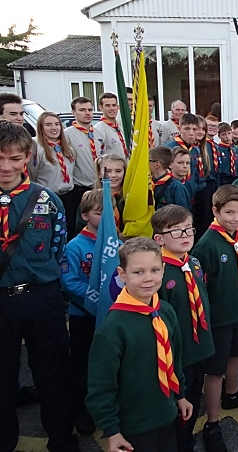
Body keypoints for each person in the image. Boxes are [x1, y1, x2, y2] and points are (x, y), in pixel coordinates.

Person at [0, 120, 78, 452]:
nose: (6, 167)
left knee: (53, 374)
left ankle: (61, 440)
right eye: (0, 158)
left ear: (28, 157)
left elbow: (58, 249)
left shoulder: (47, 201)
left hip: (41, 298)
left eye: (15, 158)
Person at [86, 237, 192, 452]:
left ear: (163, 269)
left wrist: (180, 395)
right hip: (134, 426)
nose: (148, 279)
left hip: (166, 413)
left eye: (154, 270)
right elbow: (101, 386)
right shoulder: (113, 328)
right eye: (138, 272)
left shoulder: (166, 311)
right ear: (122, 274)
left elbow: (175, 358)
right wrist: (111, 430)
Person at [191, 185, 238, 452]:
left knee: (235, 356)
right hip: (217, 319)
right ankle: (212, 422)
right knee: (214, 371)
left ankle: (233, 394)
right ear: (215, 211)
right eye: (229, 213)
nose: (236, 218)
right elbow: (201, 289)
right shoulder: (207, 246)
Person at [152, 205, 215, 451]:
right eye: (176, 232)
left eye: (189, 229)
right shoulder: (158, 273)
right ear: (159, 239)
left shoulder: (193, 263)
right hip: (175, 355)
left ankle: (187, 440)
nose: (186, 235)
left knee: (193, 401)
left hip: (198, 348)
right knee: (178, 408)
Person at [61, 189, 102, 436]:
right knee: (83, 364)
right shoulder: (74, 246)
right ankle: (82, 408)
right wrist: (97, 298)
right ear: (85, 215)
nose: (106, 217)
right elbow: (69, 282)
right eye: (99, 213)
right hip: (83, 316)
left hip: (108, 316)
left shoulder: (115, 244)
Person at [30, 111, 78, 239]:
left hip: (67, 196)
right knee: (50, 233)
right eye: (48, 125)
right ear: (41, 127)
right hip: (46, 198)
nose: (54, 128)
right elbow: (31, 175)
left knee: (69, 231)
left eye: (57, 124)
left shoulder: (68, 149)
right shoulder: (36, 148)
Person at [64, 97, 106, 204]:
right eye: (82, 110)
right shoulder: (66, 135)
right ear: (73, 112)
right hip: (80, 188)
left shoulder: (99, 133)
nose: (87, 113)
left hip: (100, 185)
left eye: (90, 110)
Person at [93, 154, 127, 231]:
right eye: (108, 171)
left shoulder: (128, 198)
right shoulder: (91, 199)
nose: (113, 175)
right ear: (99, 173)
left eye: (118, 171)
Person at [150, 145, 189, 211]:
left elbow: (182, 214)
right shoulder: (149, 182)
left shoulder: (176, 187)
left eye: (149, 161)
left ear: (157, 164)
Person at [93, 92, 128, 159]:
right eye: (108, 105)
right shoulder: (98, 129)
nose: (112, 108)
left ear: (118, 107)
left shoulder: (121, 128)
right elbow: (98, 156)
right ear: (101, 108)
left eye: (114, 105)